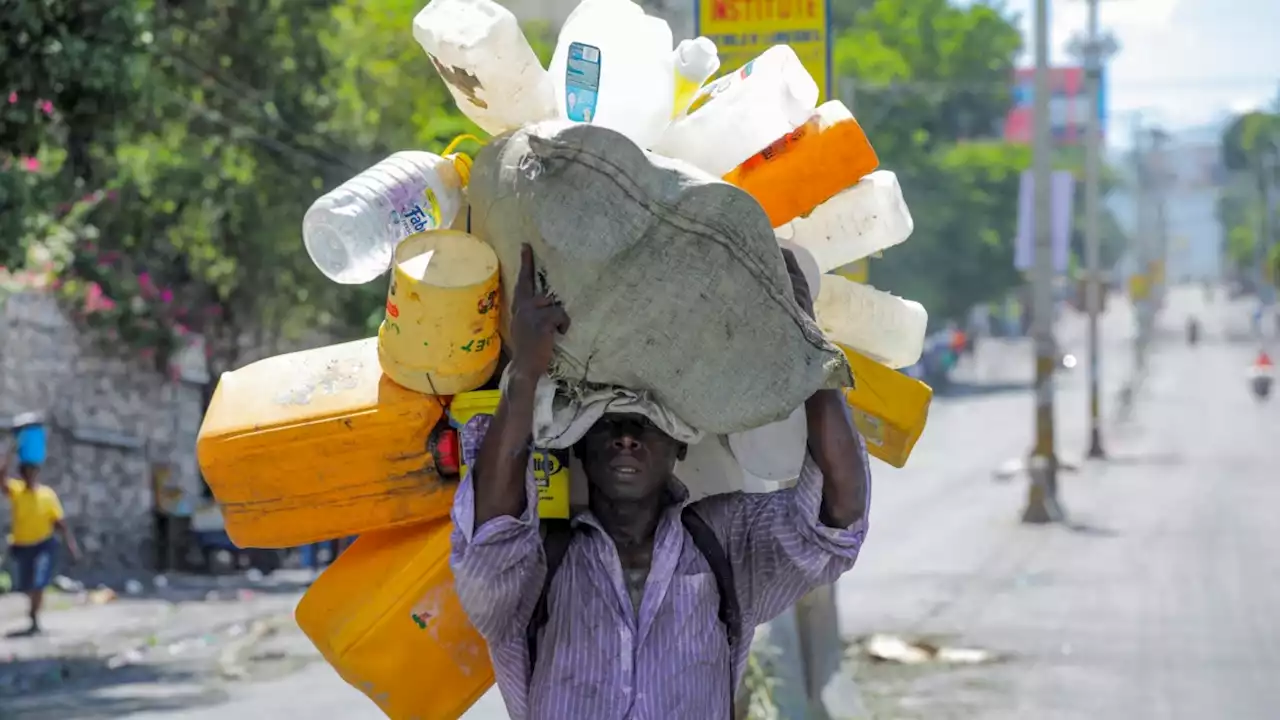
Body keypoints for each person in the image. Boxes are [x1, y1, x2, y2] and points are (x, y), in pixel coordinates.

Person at [450, 245, 871, 719]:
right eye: (608, 425)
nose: (627, 438)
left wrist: (806, 343)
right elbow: (492, 534)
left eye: (647, 425)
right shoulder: (539, 566)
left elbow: (837, 519)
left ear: (681, 446)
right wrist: (525, 369)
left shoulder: (725, 543)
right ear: (580, 447)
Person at [4, 458, 80, 636]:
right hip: (22, 546)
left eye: (32, 472)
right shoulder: (17, 491)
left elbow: (59, 522)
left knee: (39, 580)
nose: (29, 476)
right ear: (22, 475)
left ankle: (34, 618)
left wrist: (71, 545)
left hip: (43, 544)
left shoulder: (47, 495)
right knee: (26, 585)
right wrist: (8, 456)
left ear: (36, 474)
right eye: (26, 473)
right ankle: (33, 610)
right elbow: (2, 481)